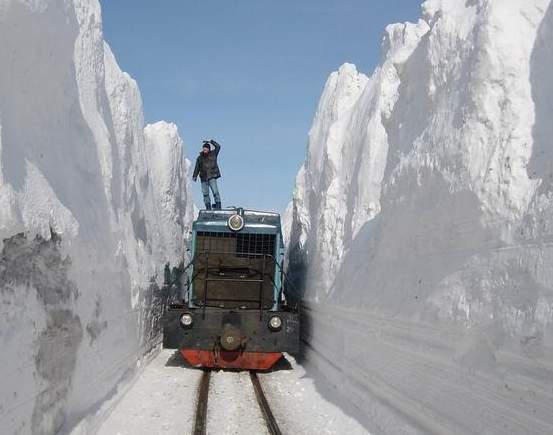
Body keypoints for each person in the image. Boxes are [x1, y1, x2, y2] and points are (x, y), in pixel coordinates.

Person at [192, 139, 222, 210]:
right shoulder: (200, 158)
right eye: (204, 148)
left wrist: (211, 141)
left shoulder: (213, 153)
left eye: (206, 148)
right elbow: (197, 167)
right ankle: (208, 208)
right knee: (205, 194)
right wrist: (194, 175)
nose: (204, 149)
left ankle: (218, 207)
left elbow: (218, 146)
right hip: (203, 178)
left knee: (215, 192)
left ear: (209, 149)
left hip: (212, 176)